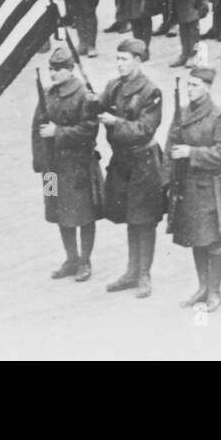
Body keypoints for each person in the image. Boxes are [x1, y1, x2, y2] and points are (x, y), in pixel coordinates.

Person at [166, 66, 221, 312]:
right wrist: (167, 179)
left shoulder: (219, 116)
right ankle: (202, 287)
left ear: (207, 88)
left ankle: (215, 291)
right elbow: (170, 146)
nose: (190, 90)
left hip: (210, 185)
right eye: (188, 85)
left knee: (213, 240)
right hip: (187, 185)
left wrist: (192, 153)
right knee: (196, 238)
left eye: (195, 85)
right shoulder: (182, 112)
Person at [97, 38, 165, 298]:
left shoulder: (151, 92)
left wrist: (116, 122)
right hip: (123, 161)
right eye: (117, 59)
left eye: (124, 59)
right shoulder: (114, 86)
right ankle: (131, 271)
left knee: (144, 219)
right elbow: (100, 104)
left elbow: (145, 129)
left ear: (138, 60)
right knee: (129, 215)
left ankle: (144, 274)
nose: (119, 64)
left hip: (144, 162)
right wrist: (92, 103)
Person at [33, 46, 104, 282]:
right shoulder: (47, 93)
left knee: (83, 214)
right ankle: (71, 259)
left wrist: (58, 132)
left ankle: (85, 261)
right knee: (58, 211)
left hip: (77, 166)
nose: (53, 74)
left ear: (70, 70)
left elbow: (89, 130)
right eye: (51, 69)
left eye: (58, 70)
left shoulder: (83, 95)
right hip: (52, 168)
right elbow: (36, 128)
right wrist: (40, 162)